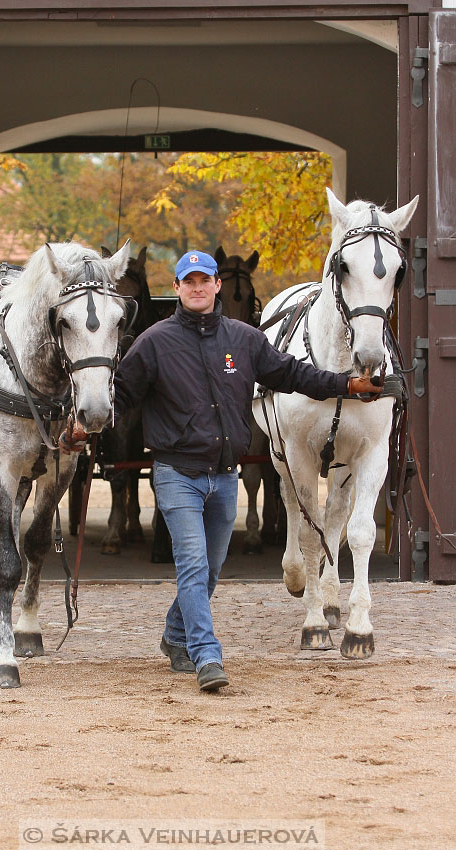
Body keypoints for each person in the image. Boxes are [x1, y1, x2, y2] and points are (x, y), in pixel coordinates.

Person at [112, 250, 381, 692]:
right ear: (176, 289)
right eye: (189, 281)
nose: (198, 287)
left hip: (222, 477)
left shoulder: (244, 339)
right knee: (194, 566)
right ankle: (207, 656)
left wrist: (346, 385)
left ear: (217, 286)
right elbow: (119, 393)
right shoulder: (155, 342)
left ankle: (175, 635)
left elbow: (294, 375)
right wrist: (83, 424)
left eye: (205, 280)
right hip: (176, 473)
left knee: (211, 568)